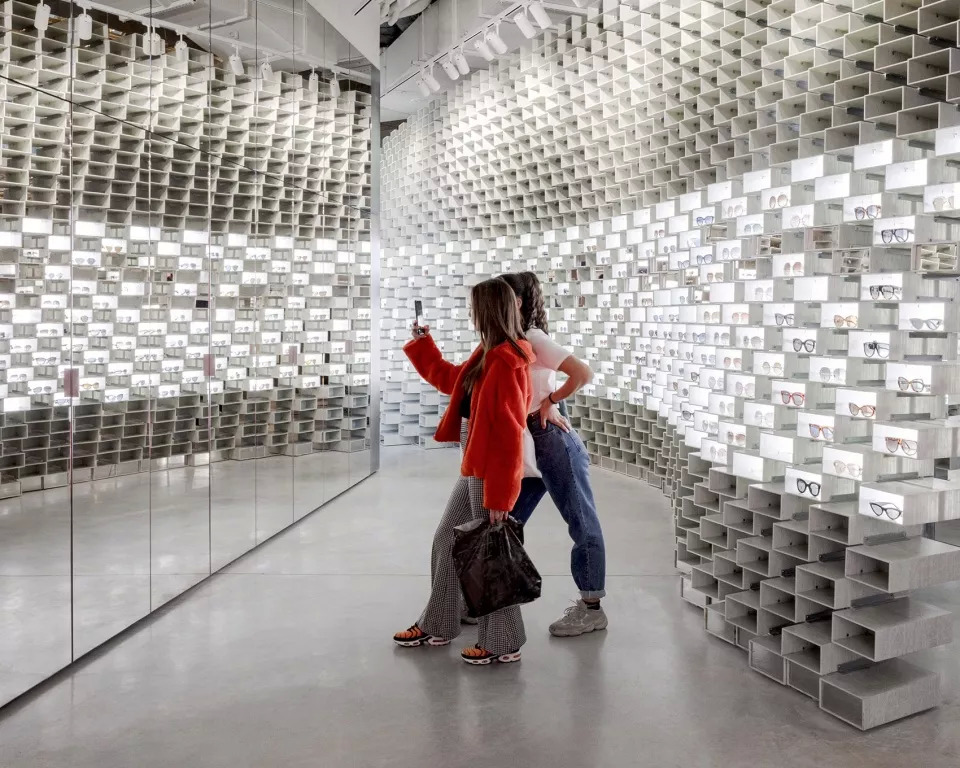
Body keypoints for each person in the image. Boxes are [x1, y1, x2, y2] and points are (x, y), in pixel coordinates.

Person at [392, 278, 534, 665]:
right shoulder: (489, 352)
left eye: (473, 308)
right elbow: (451, 381)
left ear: (487, 310)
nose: (470, 314)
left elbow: (510, 435)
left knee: (488, 554)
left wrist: (501, 496)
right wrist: (424, 343)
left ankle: (502, 642)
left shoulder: (506, 360)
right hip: (474, 462)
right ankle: (438, 623)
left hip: (490, 468)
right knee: (447, 539)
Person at [499, 271, 609, 637]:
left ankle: (591, 609)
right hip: (531, 444)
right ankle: (492, 597)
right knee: (506, 522)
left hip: (552, 441)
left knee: (582, 522)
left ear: (517, 302)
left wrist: (552, 400)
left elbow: (582, 373)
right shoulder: (511, 339)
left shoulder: (534, 338)